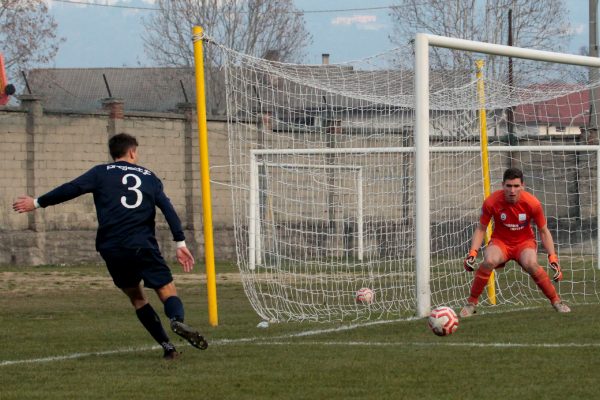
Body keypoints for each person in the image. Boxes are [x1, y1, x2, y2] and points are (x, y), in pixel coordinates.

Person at [12, 133, 208, 359]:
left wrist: (36, 202)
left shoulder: (100, 172)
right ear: (132, 151)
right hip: (142, 245)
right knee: (166, 291)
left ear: (113, 153)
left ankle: (168, 348)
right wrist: (180, 242)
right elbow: (168, 209)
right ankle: (176, 321)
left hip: (112, 247)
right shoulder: (149, 177)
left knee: (137, 298)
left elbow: (72, 188)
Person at [460, 167, 571, 318]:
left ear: (523, 186)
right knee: (489, 260)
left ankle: (556, 301)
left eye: (516, 186)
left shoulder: (533, 203)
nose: (512, 190)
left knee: (531, 264)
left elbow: (544, 231)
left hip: (524, 243)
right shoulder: (491, 202)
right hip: (501, 242)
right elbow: (481, 229)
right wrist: (473, 252)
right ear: (502, 185)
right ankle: (471, 303)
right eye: (509, 186)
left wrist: (553, 257)